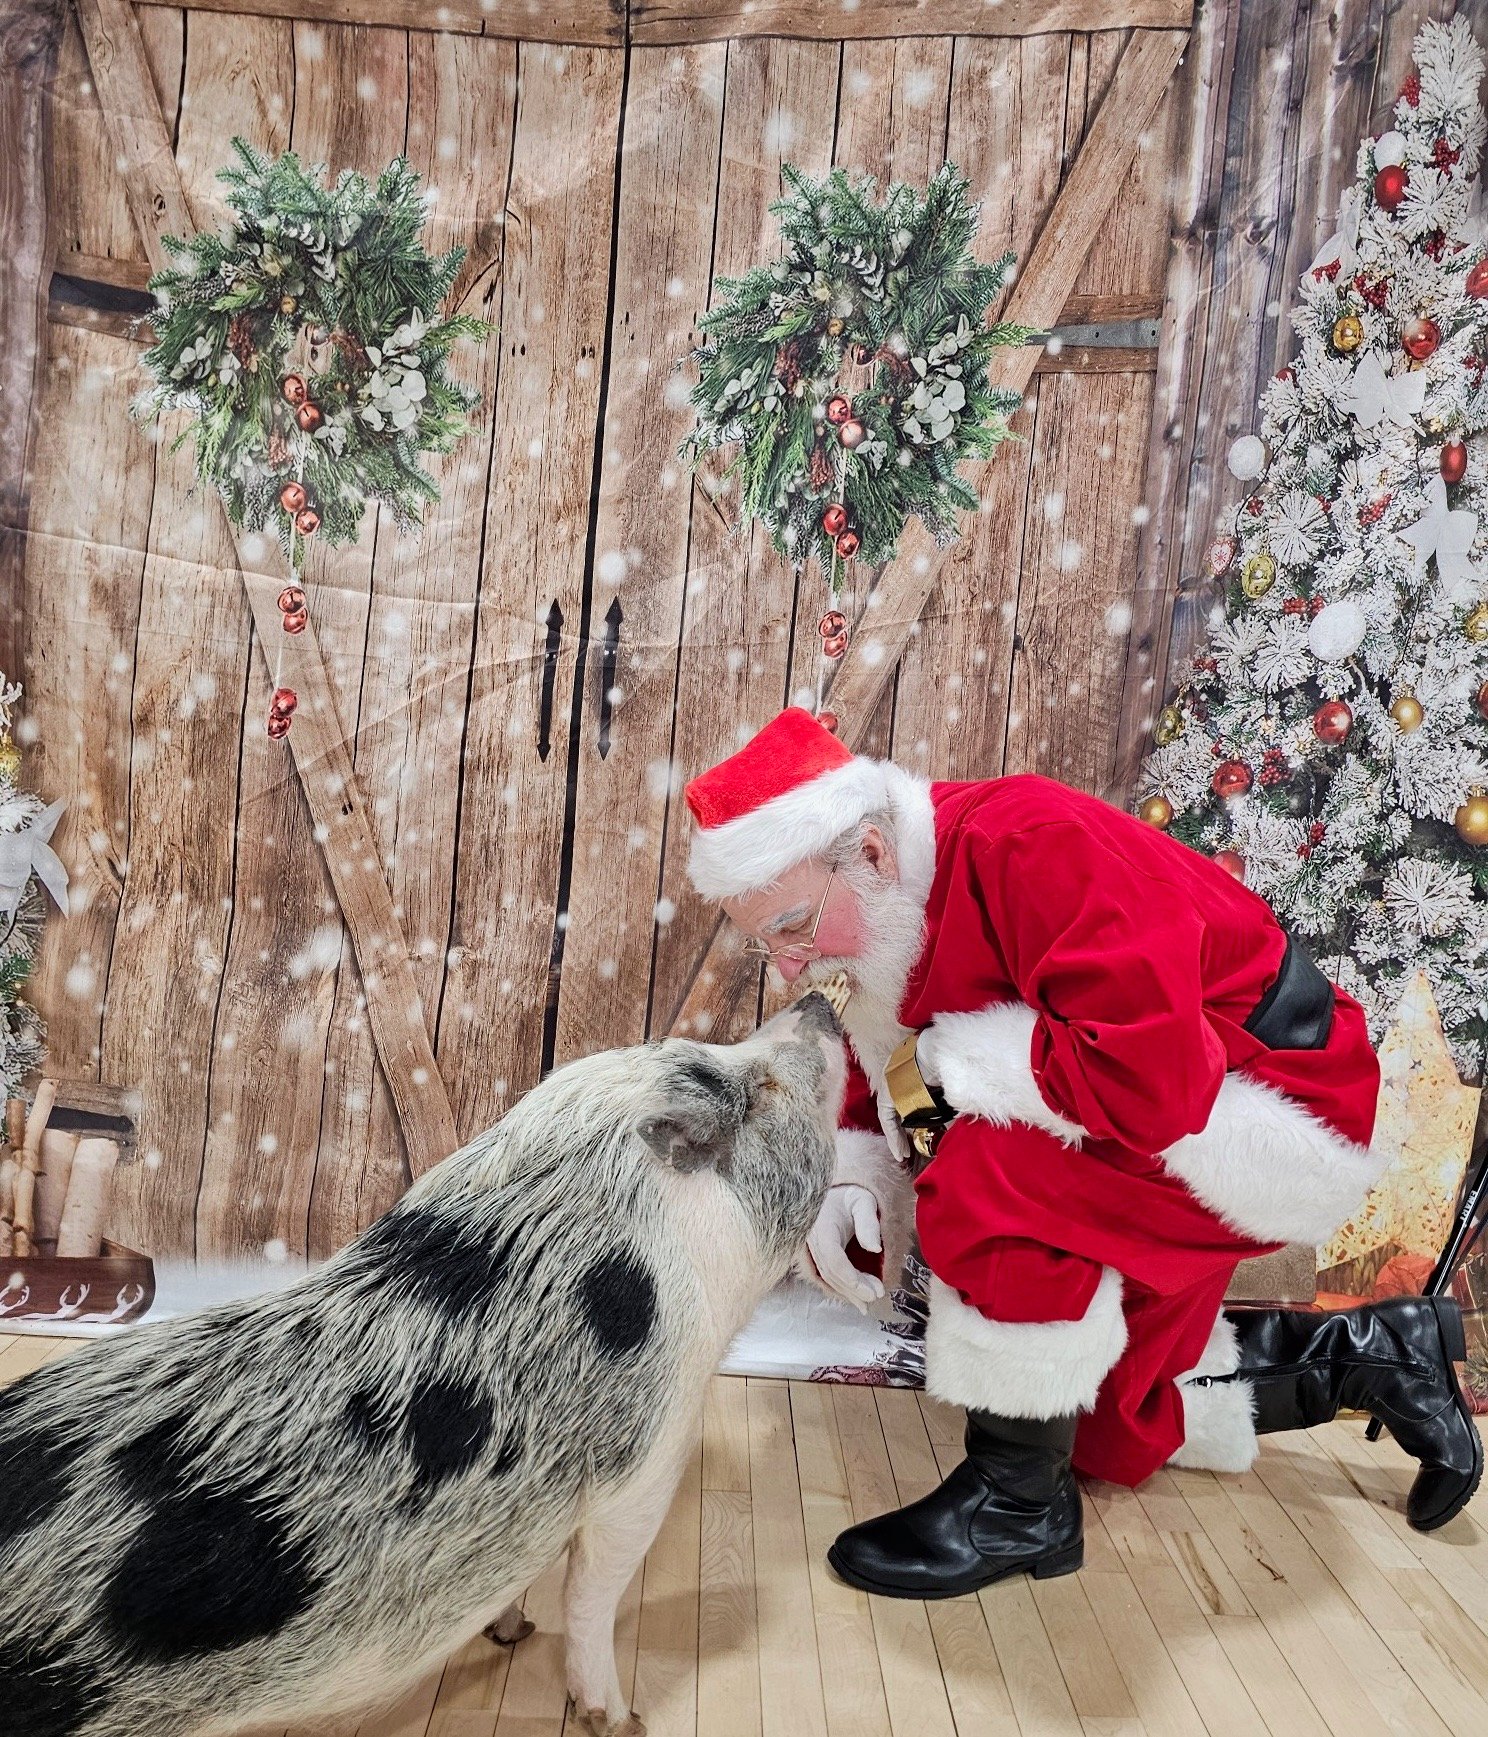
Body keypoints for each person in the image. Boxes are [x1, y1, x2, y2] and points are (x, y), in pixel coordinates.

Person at [682, 707, 1481, 1599]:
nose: (788, 966)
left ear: (869, 853)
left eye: (794, 927)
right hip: (1150, 1110)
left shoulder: (1033, 844)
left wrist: (961, 1066)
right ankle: (1373, 1353)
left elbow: (1154, 1079)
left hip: (1275, 1098)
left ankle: (1018, 1511)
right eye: (767, 944)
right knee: (1112, 1429)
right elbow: (887, 1039)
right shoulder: (890, 903)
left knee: (988, 1175)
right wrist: (856, 1156)